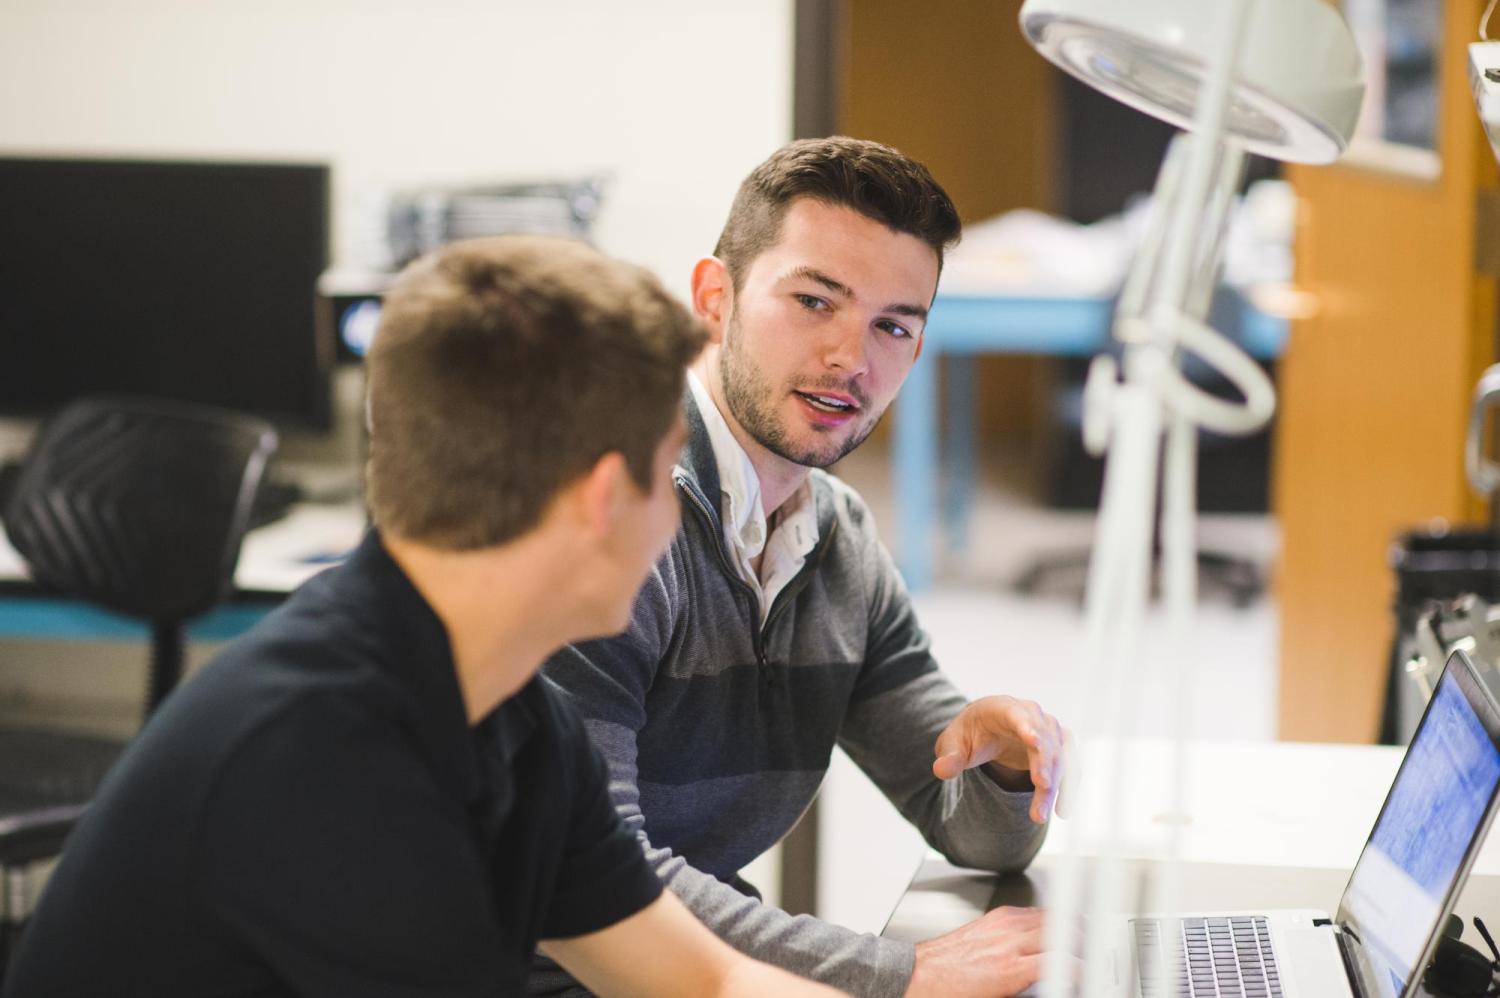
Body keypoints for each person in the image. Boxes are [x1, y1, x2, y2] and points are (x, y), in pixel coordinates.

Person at [2, 236, 846, 998]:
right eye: (668, 472)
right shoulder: (324, 764)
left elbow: (707, 981)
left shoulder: (520, 718)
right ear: (600, 500)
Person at [534, 137, 1070, 998]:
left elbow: (967, 825)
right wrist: (898, 973)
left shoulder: (836, 538)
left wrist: (1006, 766)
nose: (852, 359)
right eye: (815, 301)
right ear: (716, 296)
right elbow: (593, 873)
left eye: (894, 325)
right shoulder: (608, 515)